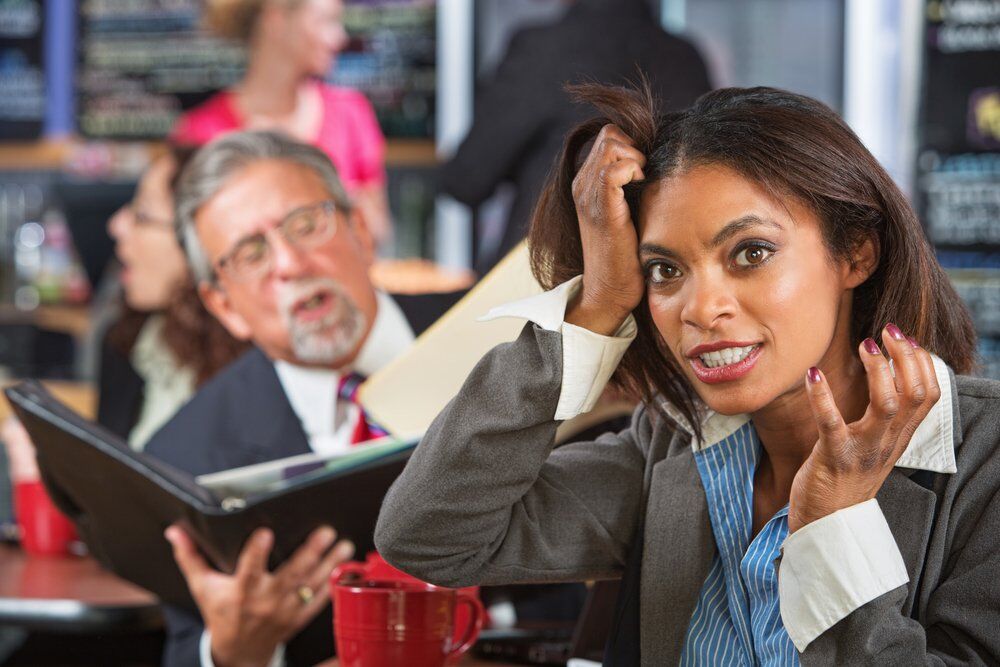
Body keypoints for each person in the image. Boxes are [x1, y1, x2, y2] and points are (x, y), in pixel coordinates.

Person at [375, 83, 1000, 664]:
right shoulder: (675, 446)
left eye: (751, 253)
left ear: (857, 252)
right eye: (664, 271)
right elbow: (429, 535)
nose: (700, 309)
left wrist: (835, 524)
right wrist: (595, 306)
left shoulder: (986, 459)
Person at [146, 130, 462, 667]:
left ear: (360, 229)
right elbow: (187, 648)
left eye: (306, 225)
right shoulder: (185, 457)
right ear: (224, 306)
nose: (290, 263)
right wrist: (235, 652)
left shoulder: (502, 337)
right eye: (251, 253)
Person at [2, 147, 248, 480]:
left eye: (141, 215)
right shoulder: (125, 345)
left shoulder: (258, 367)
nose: (116, 224)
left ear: (198, 242)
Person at [440, 0, 711, 274]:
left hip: (543, 282)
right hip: (658, 280)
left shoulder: (543, 48)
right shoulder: (685, 57)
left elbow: (467, 180)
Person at [171, 0, 392, 246]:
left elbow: (376, 230)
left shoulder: (351, 113)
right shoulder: (201, 132)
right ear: (276, 20)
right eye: (326, 21)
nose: (339, 38)